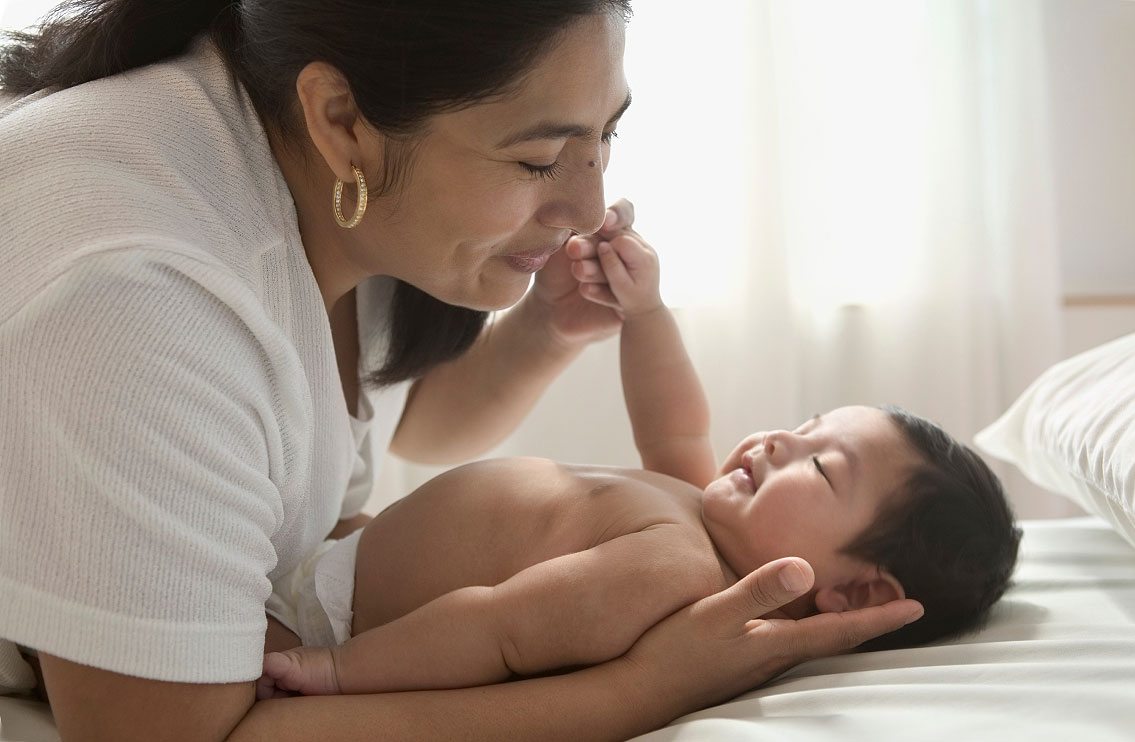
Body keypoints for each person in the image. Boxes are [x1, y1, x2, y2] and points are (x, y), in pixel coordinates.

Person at [0, 1, 925, 740]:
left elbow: (400, 431)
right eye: (538, 158)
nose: (585, 206)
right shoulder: (140, 295)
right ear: (340, 121)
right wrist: (642, 690)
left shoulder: (345, 191)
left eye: (605, 141)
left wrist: (541, 338)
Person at [256, 227, 1021, 699]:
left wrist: (338, 672)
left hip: (329, 627)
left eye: (821, 468)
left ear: (852, 595)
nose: (780, 442)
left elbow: (499, 630)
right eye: (803, 426)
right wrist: (644, 311)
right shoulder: (703, 515)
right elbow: (674, 426)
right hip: (333, 560)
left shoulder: (677, 575)